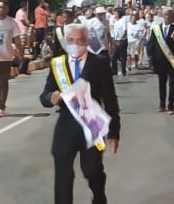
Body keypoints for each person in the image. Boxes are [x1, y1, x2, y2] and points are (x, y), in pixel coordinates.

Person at [40, 24, 121, 204]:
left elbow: (110, 99)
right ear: (65, 42)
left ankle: (99, 197)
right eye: (70, 40)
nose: (75, 44)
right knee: (63, 177)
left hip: (92, 126)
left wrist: (114, 132)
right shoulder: (57, 64)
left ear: (87, 41)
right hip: (65, 128)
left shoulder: (99, 63)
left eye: (80, 40)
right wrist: (49, 97)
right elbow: (44, 95)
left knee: (93, 171)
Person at [146, 8, 174, 114]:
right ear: (162, 15)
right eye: (165, 14)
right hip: (160, 61)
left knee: (173, 83)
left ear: (172, 16)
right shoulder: (156, 29)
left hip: (173, 60)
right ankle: (162, 104)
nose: (167, 16)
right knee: (161, 83)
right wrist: (151, 61)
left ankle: (171, 105)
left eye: (169, 14)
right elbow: (150, 46)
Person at [110, 9, 128, 77]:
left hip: (122, 41)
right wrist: (114, 39)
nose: (114, 15)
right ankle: (115, 70)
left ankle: (123, 70)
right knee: (114, 56)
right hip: (116, 40)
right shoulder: (116, 22)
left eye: (115, 13)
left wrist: (120, 40)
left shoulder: (123, 20)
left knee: (122, 56)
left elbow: (125, 31)